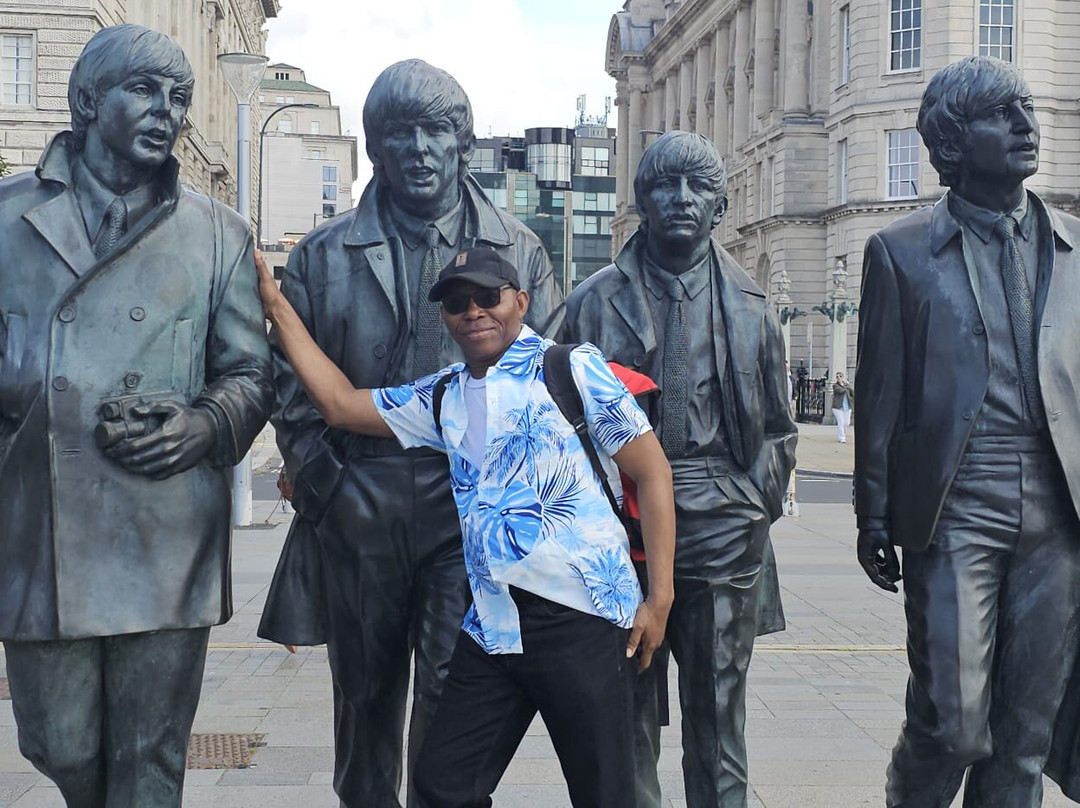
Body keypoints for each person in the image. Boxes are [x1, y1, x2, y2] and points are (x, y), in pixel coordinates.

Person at [257, 246, 675, 808]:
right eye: (456, 302)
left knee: (604, 795)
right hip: (493, 625)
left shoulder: (572, 368)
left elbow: (652, 473)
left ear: (520, 301)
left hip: (585, 619)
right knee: (443, 785)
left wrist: (660, 600)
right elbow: (340, 404)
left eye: (487, 296)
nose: (473, 311)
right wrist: (276, 306)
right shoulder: (443, 394)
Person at [258, 59, 564, 807]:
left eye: (437, 132)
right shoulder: (323, 252)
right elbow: (290, 384)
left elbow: (546, 380)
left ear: (463, 143)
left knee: (453, 701)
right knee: (363, 702)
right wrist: (328, 488)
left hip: (469, 510)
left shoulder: (520, 250)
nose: (420, 150)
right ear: (376, 147)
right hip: (360, 496)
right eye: (400, 133)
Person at [0, 25, 272, 807]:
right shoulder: (8, 218)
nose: (168, 112)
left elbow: (251, 373)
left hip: (166, 529)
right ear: (88, 101)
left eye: (179, 97)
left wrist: (206, 424)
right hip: (41, 525)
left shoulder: (217, 233)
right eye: (144, 90)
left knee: (149, 756)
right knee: (56, 740)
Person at [855, 56, 1080, 806]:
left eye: (1027, 109)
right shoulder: (900, 252)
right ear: (951, 143)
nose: (1024, 125)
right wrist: (873, 513)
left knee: (1024, 737)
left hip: (1059, 508)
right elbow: (880, 394)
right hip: (957, 502)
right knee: (951, 725)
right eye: (999, 114)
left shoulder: (1075, 247)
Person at [563, 131, 797, 808]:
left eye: (698, 186)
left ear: (721, 205)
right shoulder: (592, 302)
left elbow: (778, 427)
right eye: (665, 185)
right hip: (620, 528)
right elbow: (555, 415)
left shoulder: (751, 305)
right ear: (641, 201)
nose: (682, 198)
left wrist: (754, 504)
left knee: (720, 721)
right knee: (625, 722)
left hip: (723, 522)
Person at [830, 371, 853, 443]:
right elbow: (840, 391)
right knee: (841, 422)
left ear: (843, 377)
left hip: (847, 406)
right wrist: (847, 386)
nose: (839, 378)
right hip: (837, 407)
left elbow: (852, 392)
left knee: (846, 423)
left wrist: (848, 386)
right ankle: (842, 437)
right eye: (837, 377)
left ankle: (844, 434)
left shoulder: (847, 386)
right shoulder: (835, 386)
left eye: (840, 376)